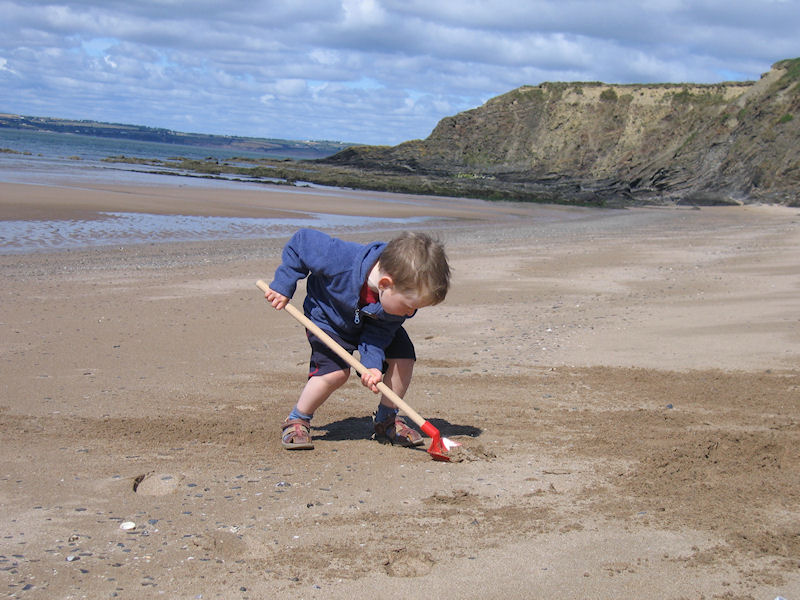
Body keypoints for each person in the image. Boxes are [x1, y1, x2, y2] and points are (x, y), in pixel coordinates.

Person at [263, 228, 451, 451]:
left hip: (370, 324)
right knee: (334, 373)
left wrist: (370, 364)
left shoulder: (394, 305)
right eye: (409, 307)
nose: (410, 314)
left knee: (403, 357)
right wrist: (284, 284)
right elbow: (301, 242)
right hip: (328, 319)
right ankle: (297, 418)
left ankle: (386, 418)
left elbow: (378, 333)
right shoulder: (340, 259)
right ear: (385, 284)